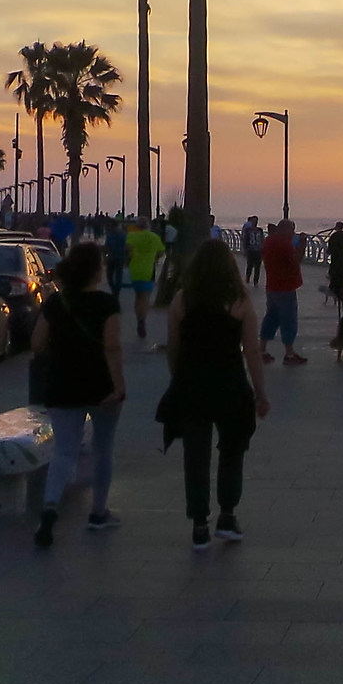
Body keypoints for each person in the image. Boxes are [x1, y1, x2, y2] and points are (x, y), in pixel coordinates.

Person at [156, 238, 271, 549]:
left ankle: (198, 524)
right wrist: (260, 393)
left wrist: (178, 379)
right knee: (233, 451)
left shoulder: (182, 300)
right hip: (230, 384)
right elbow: (251, 352)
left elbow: (174, 347)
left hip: (193, 384)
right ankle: (228, 516)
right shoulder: (240, 301)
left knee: (195, 456)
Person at [32, 244, 127, 547]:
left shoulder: (55, 303)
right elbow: (112, 347)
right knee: (103, 449)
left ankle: (49, 508)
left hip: (62, 384)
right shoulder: (106, 303)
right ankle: (98, 513)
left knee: (64, 451)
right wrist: (119, 385)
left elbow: (36, 344)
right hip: (100, 385)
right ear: (96, 271)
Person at [259, 218, 306, 364]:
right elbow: (295, 260)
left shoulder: (268, 241)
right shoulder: (284, 244)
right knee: (289, 321)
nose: (293, 234)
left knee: (271, 319)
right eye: (292, 230)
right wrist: (302, 246)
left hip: (272, 286)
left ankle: (262, 349)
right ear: (286, 230)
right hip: (285, 288)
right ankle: (289, 353)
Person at [123, 217, 166, 342]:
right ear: (147, 226)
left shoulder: (132, 236)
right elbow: (162, 252)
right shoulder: (154, 237)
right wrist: (154, 258)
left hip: (135, 269)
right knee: (146, 297)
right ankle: (143, 320)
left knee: (138, 296)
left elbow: (128, 249)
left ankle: (139, 319)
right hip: (149, 269)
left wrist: (132, 257)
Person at [324, 221, 343, 311]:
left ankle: (330, 298)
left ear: (336, 227)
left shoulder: (333, 236)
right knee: (342, 281)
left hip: (335, 262)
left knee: (333, 280)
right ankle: (342, 298)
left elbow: (329, 249)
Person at [105, 218, 130, 296]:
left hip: (120, 257)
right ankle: (115, 290)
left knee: (117, 277)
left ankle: (116, 293)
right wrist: (105, 256)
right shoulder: (109, 234)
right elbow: (107, 246)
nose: (108, 227)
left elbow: (126, 246)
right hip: (111, 257)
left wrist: (127, 258)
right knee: (109, 277)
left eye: (109, 225)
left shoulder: (122, 235)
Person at [240, 216, 265, 285]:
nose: (255, 222)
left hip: (258, 251)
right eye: (254, 221)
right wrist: (245, 249)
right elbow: (246, 240)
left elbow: (262, 240)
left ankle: (256, 281)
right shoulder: (248, 230)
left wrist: (262, 249)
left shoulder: (260, 230)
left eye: (256, 221)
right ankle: (248, 277)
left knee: (257, 267)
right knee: (250, 265)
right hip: (250, 250)